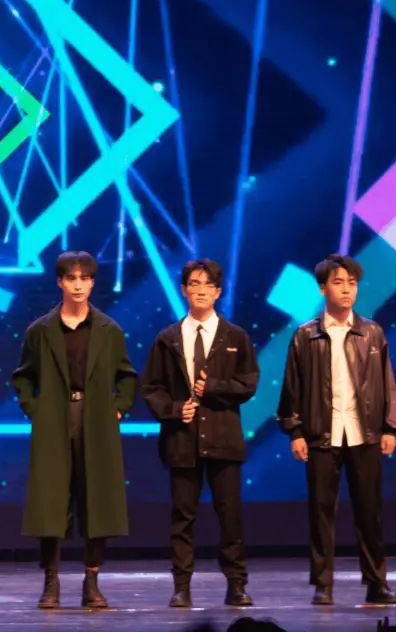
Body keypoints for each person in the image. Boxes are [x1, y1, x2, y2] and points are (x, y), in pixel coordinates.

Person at [12, 251, 137, 609]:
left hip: (95, 419)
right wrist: (36, 409)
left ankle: (91, 581)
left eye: (84, 278)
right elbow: (23, 377)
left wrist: (117, 409)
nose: (78, 285)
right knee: (51, 501)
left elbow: (127, 376)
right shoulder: (40, 331)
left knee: (96, 500)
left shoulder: (108, 330)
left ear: (93, 282)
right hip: (55, 419)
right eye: (71, 278)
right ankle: (50, 582)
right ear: (60, 282)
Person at [277, 253, 396, 606]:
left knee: (370, 512)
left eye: (352, 283)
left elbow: (387, 382)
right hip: (322, 435)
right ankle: (323, 584)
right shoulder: (306, 335)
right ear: (323, 288)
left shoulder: (372, 332)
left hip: (365, 433)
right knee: (321, 513)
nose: (346, 290)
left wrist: (390, 427)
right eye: (338, 283)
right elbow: (292, 388)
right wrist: (295, 431)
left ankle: (376, 583)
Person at [141, 259, 258, 608]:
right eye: (195, 283)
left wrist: (214, 388)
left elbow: (248, 383)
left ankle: (236, 585)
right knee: (182, 517)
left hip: (224, 438)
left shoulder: (235, 336)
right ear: (184, 290)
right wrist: (175, 410)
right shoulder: (168, 339)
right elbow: (151, 388)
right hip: (182, 440)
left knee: (230, 516)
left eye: (208, 285)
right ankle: (181, 587)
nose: (201, 290)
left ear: (218, 292)